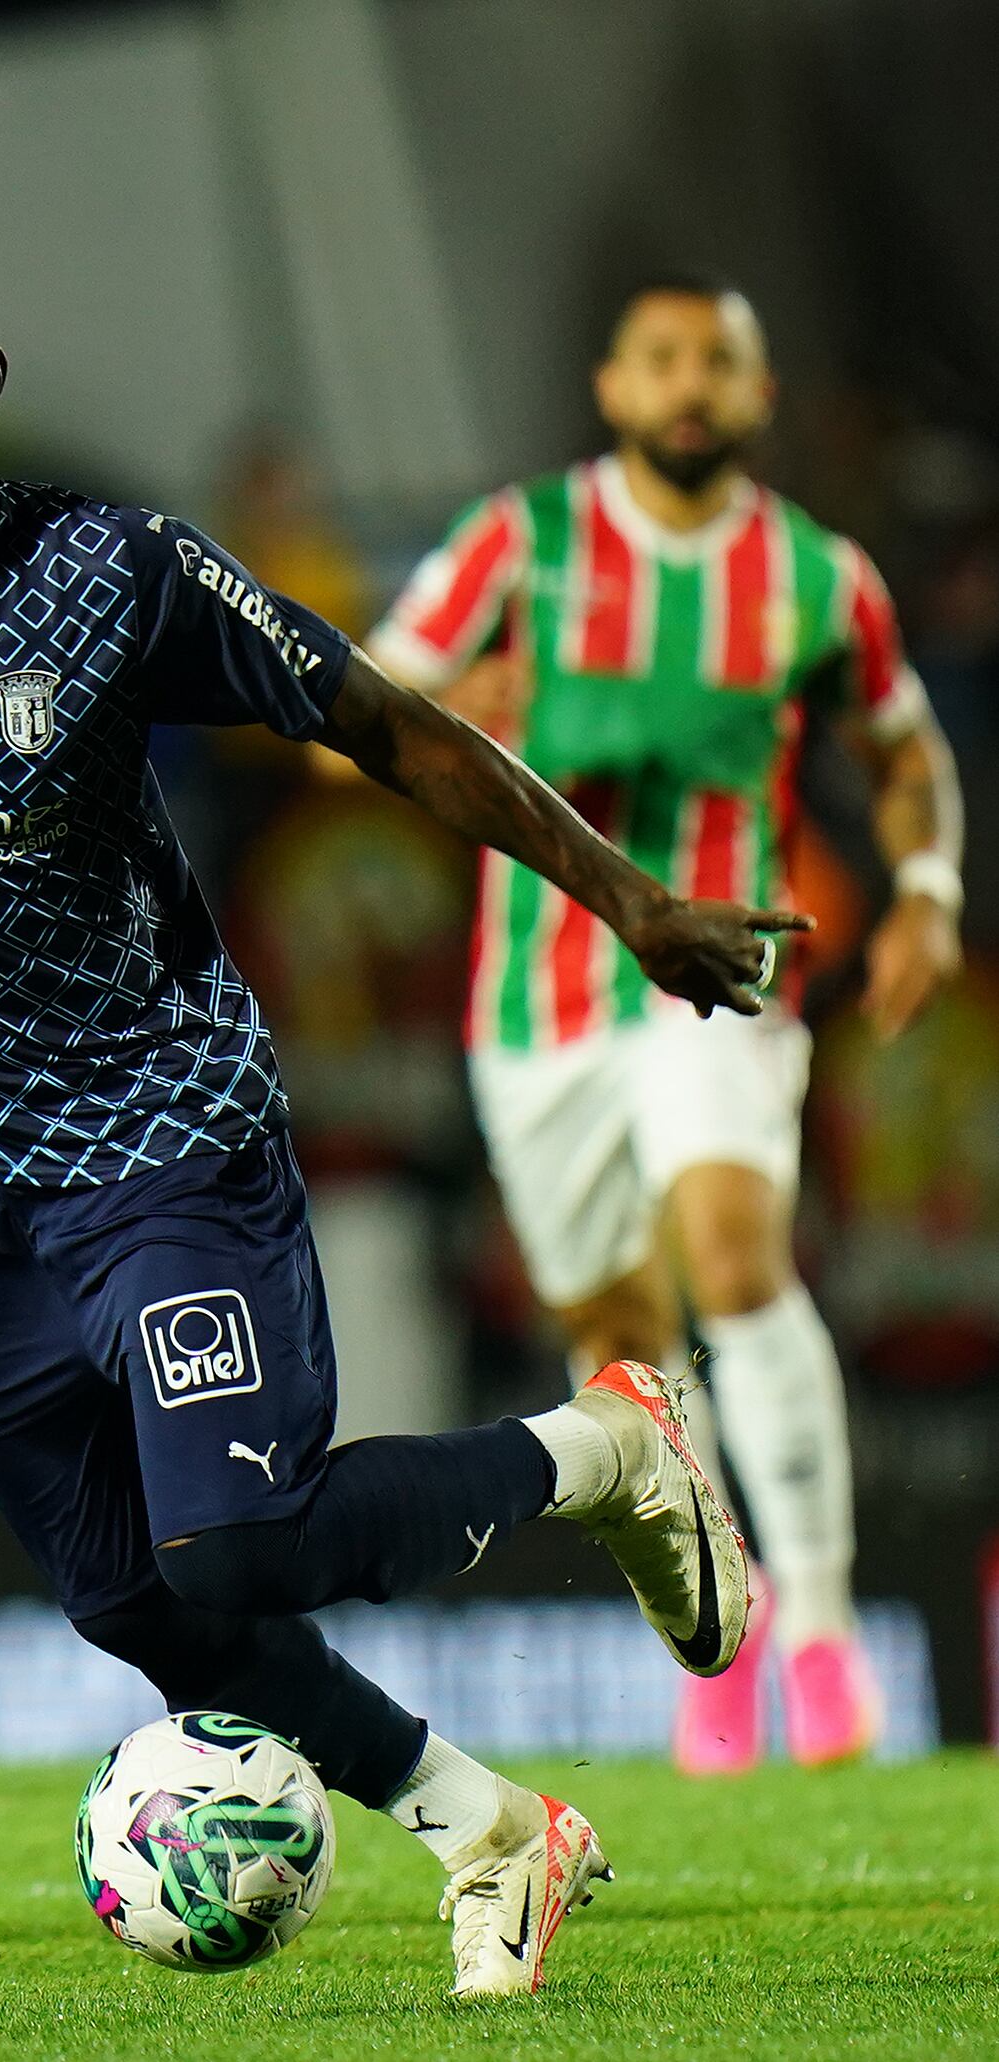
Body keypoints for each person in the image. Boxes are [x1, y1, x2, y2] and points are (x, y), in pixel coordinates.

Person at [0, 204, 787, 2000]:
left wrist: (632, 899)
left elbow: (389, 725)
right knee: (135, 1600)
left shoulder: (110, 569)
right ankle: (495, 1832)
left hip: (159, 1134)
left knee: (240, 1541)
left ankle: (611, 1449)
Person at [368, 276, 966, 1773]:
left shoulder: (814, 575)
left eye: (718, 362)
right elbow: (360, 708)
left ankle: (821, 1630)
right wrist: (463, 699)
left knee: (735, 1256)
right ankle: (724, 1628)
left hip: (718, 973)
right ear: (613, 388)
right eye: (662, 360)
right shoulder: (522, 540)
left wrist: (929, 890)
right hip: (537, 1003)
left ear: (758, 396)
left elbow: (904, 749)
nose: (689, 385)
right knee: (623, 1347)